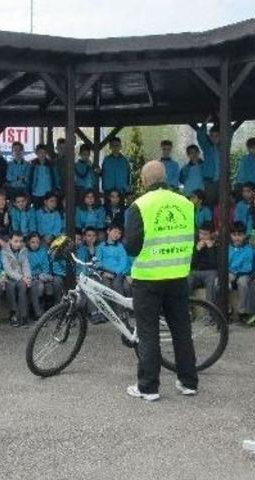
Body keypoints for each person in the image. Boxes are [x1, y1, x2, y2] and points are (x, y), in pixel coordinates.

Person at [123, 160, 197, 401]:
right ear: (166, 178)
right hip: (178, 276)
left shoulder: (139, 205)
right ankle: (188, 382)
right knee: (181, 330)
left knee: (148, 333)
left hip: (148, 278)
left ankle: (148, 387)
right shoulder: (185, 203)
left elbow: (132, 246)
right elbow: (190, 238)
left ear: (144, 181)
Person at [2, 232, 32, 327]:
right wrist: (21, 277)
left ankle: (23, 316)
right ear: (10, 240)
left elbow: (26, 265)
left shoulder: (24, 250)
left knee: (23, 285)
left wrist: (27, 277)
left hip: (22, 277)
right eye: (15, 241)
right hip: (9, 277)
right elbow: (8, 270)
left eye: (20, 241)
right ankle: (13, 313)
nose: (18, 244)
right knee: (10, 285)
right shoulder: (4, 252)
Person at [27, 233, 58, 319]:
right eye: (32, 242)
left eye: (37, 242)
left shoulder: (43, 252)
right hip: (31, 277)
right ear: (28, 243)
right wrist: (35, 276)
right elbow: (26, 268)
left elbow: (46, 267)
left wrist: (41, 276)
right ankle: (36, 310)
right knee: (39, 286)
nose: (35, 244)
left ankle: (48, 310)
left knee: (49, 286)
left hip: (43, 276)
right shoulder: (26, 253)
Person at [228, 221, 254, 321]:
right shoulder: (228, 248)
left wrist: (235, 275)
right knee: (220, 282)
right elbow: (224, 263)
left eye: (239, 235)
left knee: (242, 283)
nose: (237, 238)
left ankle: (241, 311)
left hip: (243, 274)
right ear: (231, 235)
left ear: (244, 236)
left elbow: (247, 267)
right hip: (229, 272)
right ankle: (227, 310)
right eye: (234, 235)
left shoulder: (248, 249)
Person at [189, 222, 220, 305]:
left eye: (205, 234)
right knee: (188, 279)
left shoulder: (216, 245)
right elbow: (191, 265)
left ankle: (211, 312)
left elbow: (216, 265)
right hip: (196, 272)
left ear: (211, 235)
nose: (202, 236)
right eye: (200, 233)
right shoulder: (196, 244)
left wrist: (210, 249)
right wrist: (197, 250)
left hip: (210, 272)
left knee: (212, 281)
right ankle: (187, 309)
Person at [97, 224, 131, 296]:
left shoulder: (120, 247)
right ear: (108, 231)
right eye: (115, 231)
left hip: (117, 273)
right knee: (106, 288)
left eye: (119, 233)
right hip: (105, 273)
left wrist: (115, 273)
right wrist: (103, 272)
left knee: (117, 286)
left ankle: (120, 307)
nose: (117, 235)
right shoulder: (101, 246)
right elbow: (98, 261)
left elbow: (123, 261)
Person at [194, 123, 220, 206]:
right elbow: (200, 136)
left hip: (221, 181)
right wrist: (205, 123)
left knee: (222, 204)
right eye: (212, 135)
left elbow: (230, 133)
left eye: (216, 136)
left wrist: (222, 120)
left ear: (221, 136)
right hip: (209, 181)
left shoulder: (224, 147)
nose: (214, 138)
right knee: (209, 204)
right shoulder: (207, 147)